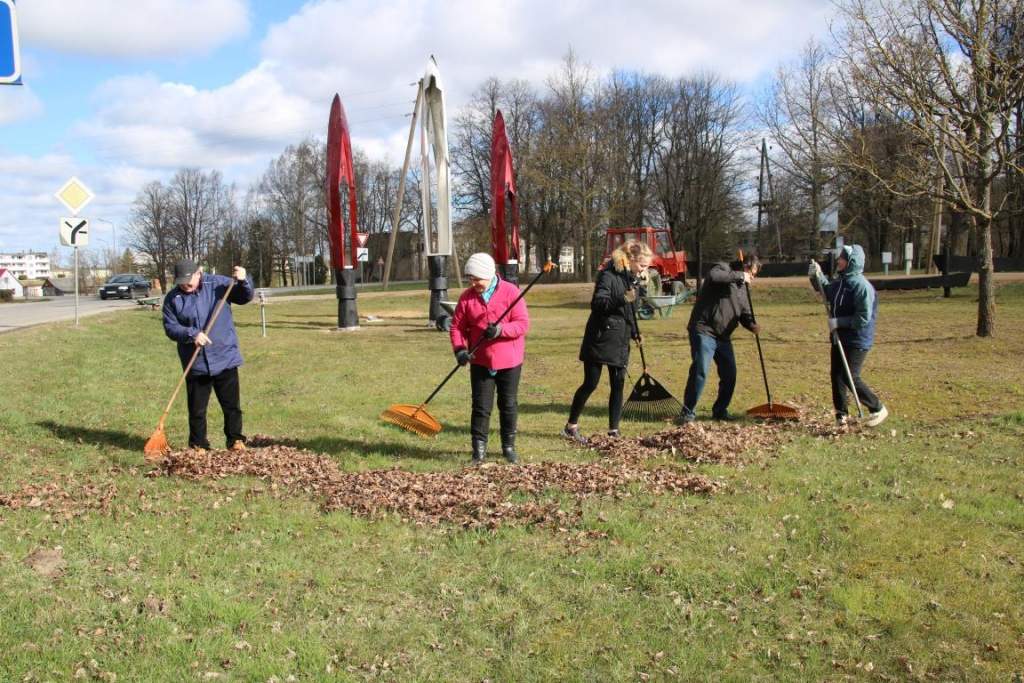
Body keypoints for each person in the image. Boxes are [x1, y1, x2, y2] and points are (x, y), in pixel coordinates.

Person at [562, 240, 652, 440]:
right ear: (629, 260)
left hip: (620, 338)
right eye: (642, 265)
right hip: (600, 336)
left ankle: (614, 431)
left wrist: (634, 332)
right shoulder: (608, 275)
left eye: (647, 266)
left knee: (618, 383)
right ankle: (570, 426)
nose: (645, 270)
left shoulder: (633, 280)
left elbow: (630, 309)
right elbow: (598, 304)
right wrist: (622, 297)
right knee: (590, 383)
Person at [162, 259, 254, 451]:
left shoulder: (218, 284)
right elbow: (171, 327)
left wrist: (244, 281)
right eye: (181, 281)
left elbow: (245, 297)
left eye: (189, 279)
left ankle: (235, 440)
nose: (185, 284)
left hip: (224, 356)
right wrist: (192, 334)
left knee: (231, 406)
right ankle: (198, 445)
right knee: (197, 410)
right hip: (196, 362)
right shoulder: (173, 298)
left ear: (199, 273)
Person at [450, 253, 530, 464]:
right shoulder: (467, 297)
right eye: (471, 279)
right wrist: (459, 349)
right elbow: (457, 326)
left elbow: (522, 324)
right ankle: (479, 451)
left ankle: (508, 447)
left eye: (477, 279)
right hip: (480, 360)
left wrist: (500, 330)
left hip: (509, 361)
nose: (473, 283)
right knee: (481, 407)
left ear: (490, 275)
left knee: (508, 404)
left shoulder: (511, 292)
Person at [676, 252, 761, 424]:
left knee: (730, 374)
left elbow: (743, 312)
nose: (753, 277)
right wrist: (740, 275)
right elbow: (714, 277)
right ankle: (687, 412)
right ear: (746, 267)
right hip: (704, 329)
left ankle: (720, 410)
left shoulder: (743, 288)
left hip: (723, 336)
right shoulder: (723, 268)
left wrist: (751, 325)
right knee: (701, 370)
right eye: (752, 273)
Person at [809, 245, 888, 427]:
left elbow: (863, 318)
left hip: (857, 339)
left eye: (842, 258)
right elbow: (827, 292)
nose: (838, 261)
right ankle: (841, 416)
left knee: (849, 376)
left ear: (851, 262)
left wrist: (839, 322)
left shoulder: (861, 286)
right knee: (836, 375)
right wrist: (816, 276)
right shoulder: (841, 282)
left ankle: (877, 408)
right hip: (839, 338)